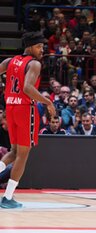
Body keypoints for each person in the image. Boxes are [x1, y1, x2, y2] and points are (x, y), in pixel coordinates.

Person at [0, 31, 56, 208]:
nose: (42, 50)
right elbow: (28, 88)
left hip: (10, 107)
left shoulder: (10, 61)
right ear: (30, 47)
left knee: (14, 151)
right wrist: (48, 102)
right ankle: (8, 198)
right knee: (22, 156)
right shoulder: (34, 64)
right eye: (39, 46)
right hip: (25, 110)